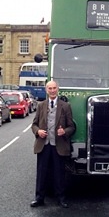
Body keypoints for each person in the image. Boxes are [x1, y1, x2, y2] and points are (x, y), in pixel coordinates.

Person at [30, 80, 75, 208]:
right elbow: (34, 124)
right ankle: (39, 198)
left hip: (59, 144)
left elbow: (71, 127)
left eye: (54, 88)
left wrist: (64, 131)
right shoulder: (41, 105)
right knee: (42, 173)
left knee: (59, 173)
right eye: (50, 88)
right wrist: (38, 131)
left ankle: (61, 198)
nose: (52, 90)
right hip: (43, 144)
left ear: (58, 89)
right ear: (46, 90)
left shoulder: (65, 106)